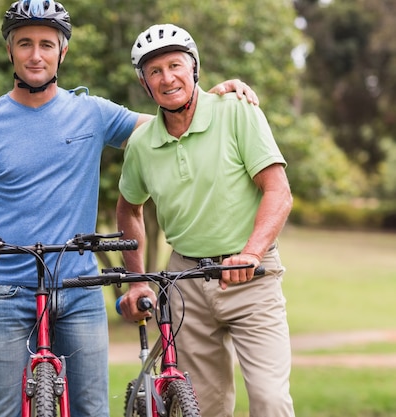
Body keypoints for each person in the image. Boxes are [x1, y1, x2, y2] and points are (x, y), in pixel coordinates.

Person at [0, 2, 259, 416]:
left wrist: (213, 99)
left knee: (92, 409)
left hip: (80, 291)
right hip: (7, 292)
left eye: (46, 44)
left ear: (62, 52)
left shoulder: (91, 113)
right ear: (10, 52)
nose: (35, 54)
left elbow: (169, 123)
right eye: (25, 44)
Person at [116, 23, 295, 417]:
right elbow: (129, 208)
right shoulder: (143, 144)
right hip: (186, 284)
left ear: (194, 68)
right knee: (205, 407)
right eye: (155, 71)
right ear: (145, 84)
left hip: (252, 277)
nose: (167, 78)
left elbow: (278, 192)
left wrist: (250, 254)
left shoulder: (236, 110)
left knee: (270, 399)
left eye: (175, 65)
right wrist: (138, 280)